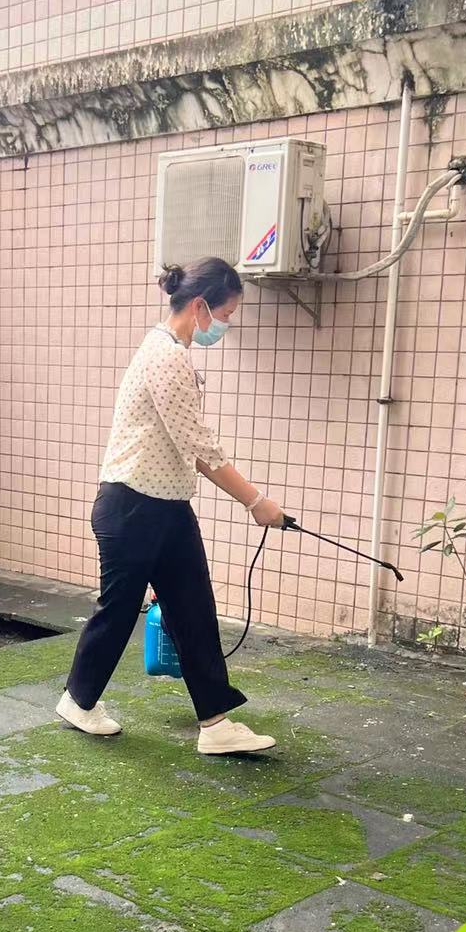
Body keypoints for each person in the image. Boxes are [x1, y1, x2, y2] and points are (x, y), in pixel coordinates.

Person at [57, 256, 286, 756]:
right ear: (201, 306)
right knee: (119, 610)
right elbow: (199, 446)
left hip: (166, 506)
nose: (225, 325)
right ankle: (78, 700)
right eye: (226, 314)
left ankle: (215, 723)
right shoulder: (166, 356)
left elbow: (190, 447)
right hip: (133, 506)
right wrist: (256, 501)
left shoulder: (172, 352)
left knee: (194, 609)